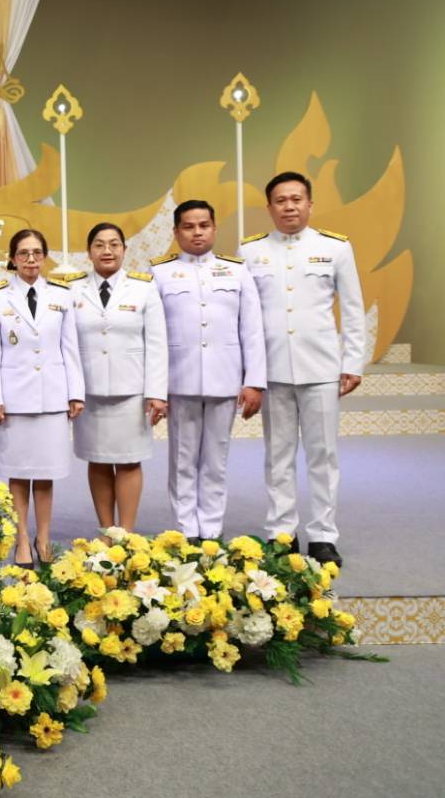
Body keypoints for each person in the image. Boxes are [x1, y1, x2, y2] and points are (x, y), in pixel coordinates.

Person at [243, 172, 365, 566]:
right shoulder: (251, 251)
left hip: (321, 368)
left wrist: (353, 361)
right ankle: (282, 534)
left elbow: (353, 308)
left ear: (310, 204)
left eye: (297, 199)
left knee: (322, 455)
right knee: (277, 456)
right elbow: (245, 318)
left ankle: (323, 535)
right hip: (273, 369)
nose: (289, 207)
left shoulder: (335, 248)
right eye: (281, 200)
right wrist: (249, 373)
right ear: (269, 207)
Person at [151, 200, 265, 543]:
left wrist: (254, 381)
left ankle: (212, 529)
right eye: (188, 226)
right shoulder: (160, 273)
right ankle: (186, 530)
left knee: (216, 459)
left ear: (214, 229)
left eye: (203, 225)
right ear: (176, 232)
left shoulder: (237, 271)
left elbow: (252, 329)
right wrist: (155, 388)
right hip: (179, 379)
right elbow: (153, 335)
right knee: (182, 459)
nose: (197, 232)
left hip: (224, 379)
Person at [0, 228, 84, 567]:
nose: (30, 259)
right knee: (18, 472)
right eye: (23, 253)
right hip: (13, 399)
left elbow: (70, 348)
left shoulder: (61, 295)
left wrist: (75, 393)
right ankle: (22, 538)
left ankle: (43, 537)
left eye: (36, 252)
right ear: (12, 258)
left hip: (52, 396)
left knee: (45, 472)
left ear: (44, 256)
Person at [69, 223, 168, 534]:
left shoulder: (144, 288)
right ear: (89, 252)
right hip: (89, 392)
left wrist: (156, 392)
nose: (107, 251)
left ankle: (125, 533)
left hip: (131, 392)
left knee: (129, 460)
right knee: (97, 459)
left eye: (114, 244)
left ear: (125, 250)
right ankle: (106, 530)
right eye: (99, 245)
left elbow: (157, 343)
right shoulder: (72, 289)